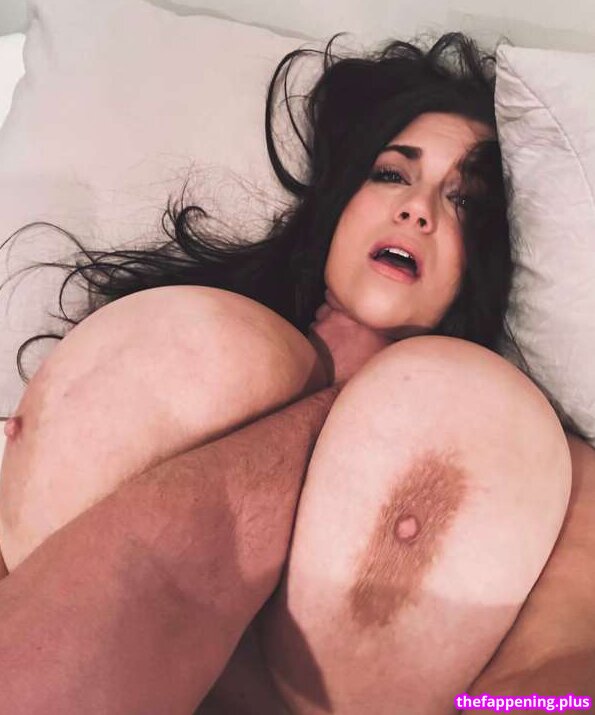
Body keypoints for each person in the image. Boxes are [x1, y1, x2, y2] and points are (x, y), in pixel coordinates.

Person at [0, 30, 592, 714]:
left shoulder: (537, 462)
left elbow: (560, 681)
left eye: (465, 202)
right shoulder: (178, 345)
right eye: (391, 174)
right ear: (338, 204)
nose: (417, 209)